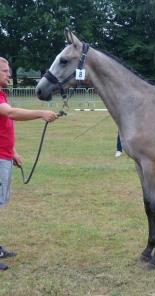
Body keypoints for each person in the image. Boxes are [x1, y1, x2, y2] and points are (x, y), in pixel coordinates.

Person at [0, 57, 58, 271]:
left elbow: (2, 124)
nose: (8, 74)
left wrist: (12, 151)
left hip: (4, 156)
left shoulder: (2, 93)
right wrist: (41, 113)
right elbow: (10, 113)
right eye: (5, 71)